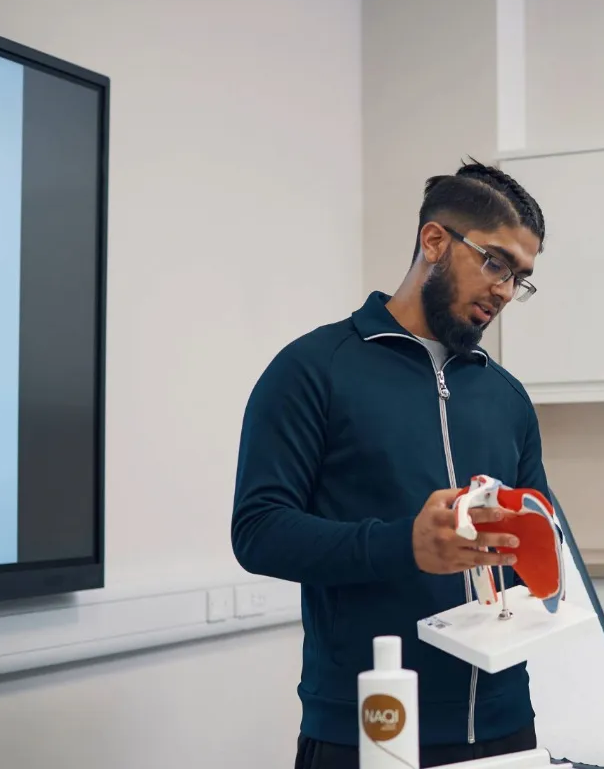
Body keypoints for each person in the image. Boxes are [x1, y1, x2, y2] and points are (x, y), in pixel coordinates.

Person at [230, 159, 554, 768]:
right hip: (369, 725)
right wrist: (402, 544)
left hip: (505, 726)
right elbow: (258, 531)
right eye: (495, 263)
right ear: (434, 241)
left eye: (521, 277)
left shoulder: (507, 398)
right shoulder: (313, 369)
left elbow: (537, 538)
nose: (505, 290)